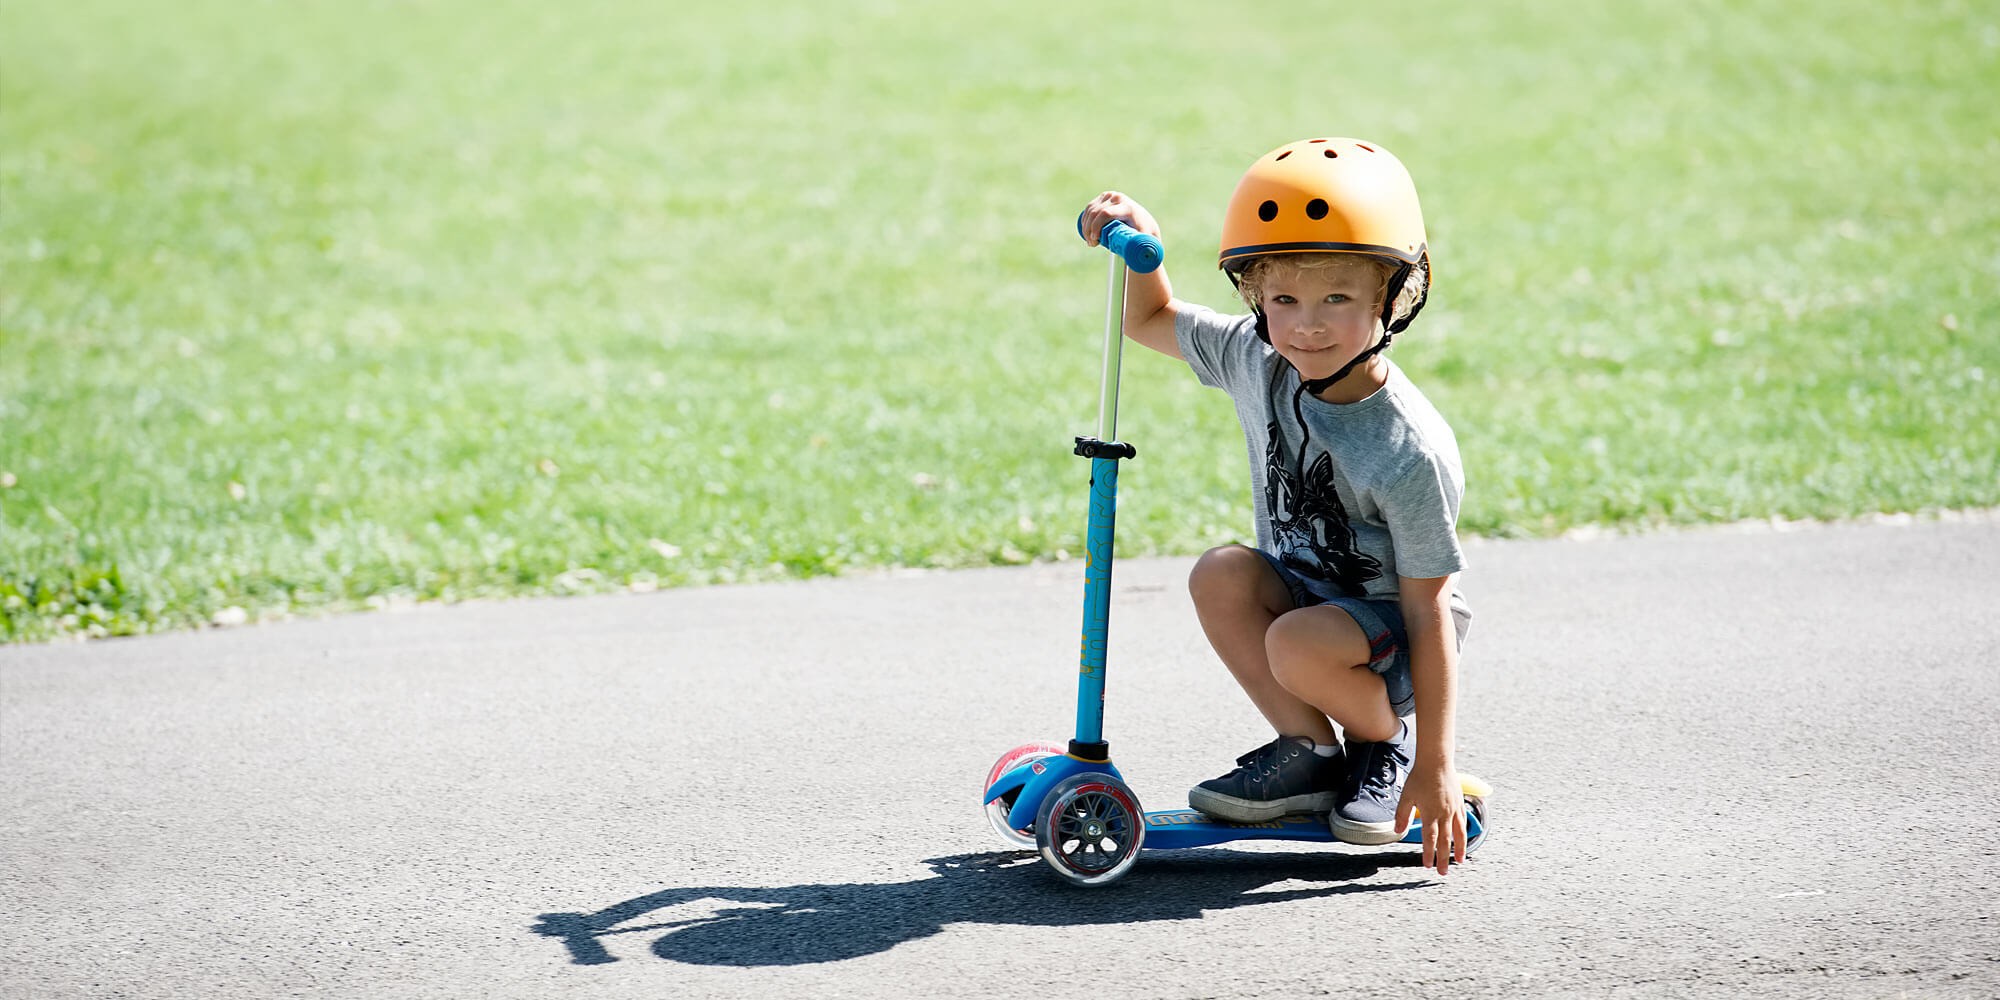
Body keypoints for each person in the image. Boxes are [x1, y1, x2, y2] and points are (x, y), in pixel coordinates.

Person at [1077, 137, 1474, 875]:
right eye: (1283, 299)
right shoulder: (1259, 357)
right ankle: (1313, 752)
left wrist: (1438, 763)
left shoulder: (1408, 449)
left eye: (1338, 300)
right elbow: (1149, 319)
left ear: (1393, 300)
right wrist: (1146, 246)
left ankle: (1383, 750)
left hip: (1394, 640)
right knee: (1221, 573)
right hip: (1309, 606)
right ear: (1257, 299)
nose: (1306, 326)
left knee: (1297, 641)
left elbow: (1430, 609)